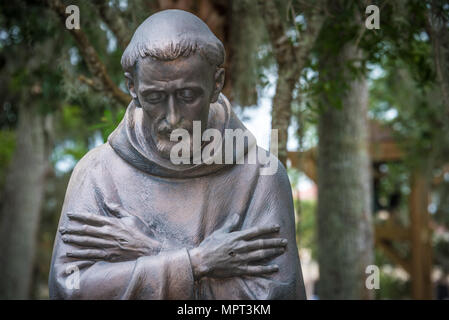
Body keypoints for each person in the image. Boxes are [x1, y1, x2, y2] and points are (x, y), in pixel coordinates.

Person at [49, 9, 306, 300]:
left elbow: (270, 299)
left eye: (188, 96)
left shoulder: (260, 175)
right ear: (132, 87)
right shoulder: (96, 172)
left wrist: (152, 253)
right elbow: (69, 289)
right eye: (155, 97)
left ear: (216, 83)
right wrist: (198, 262)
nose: (172, 119)